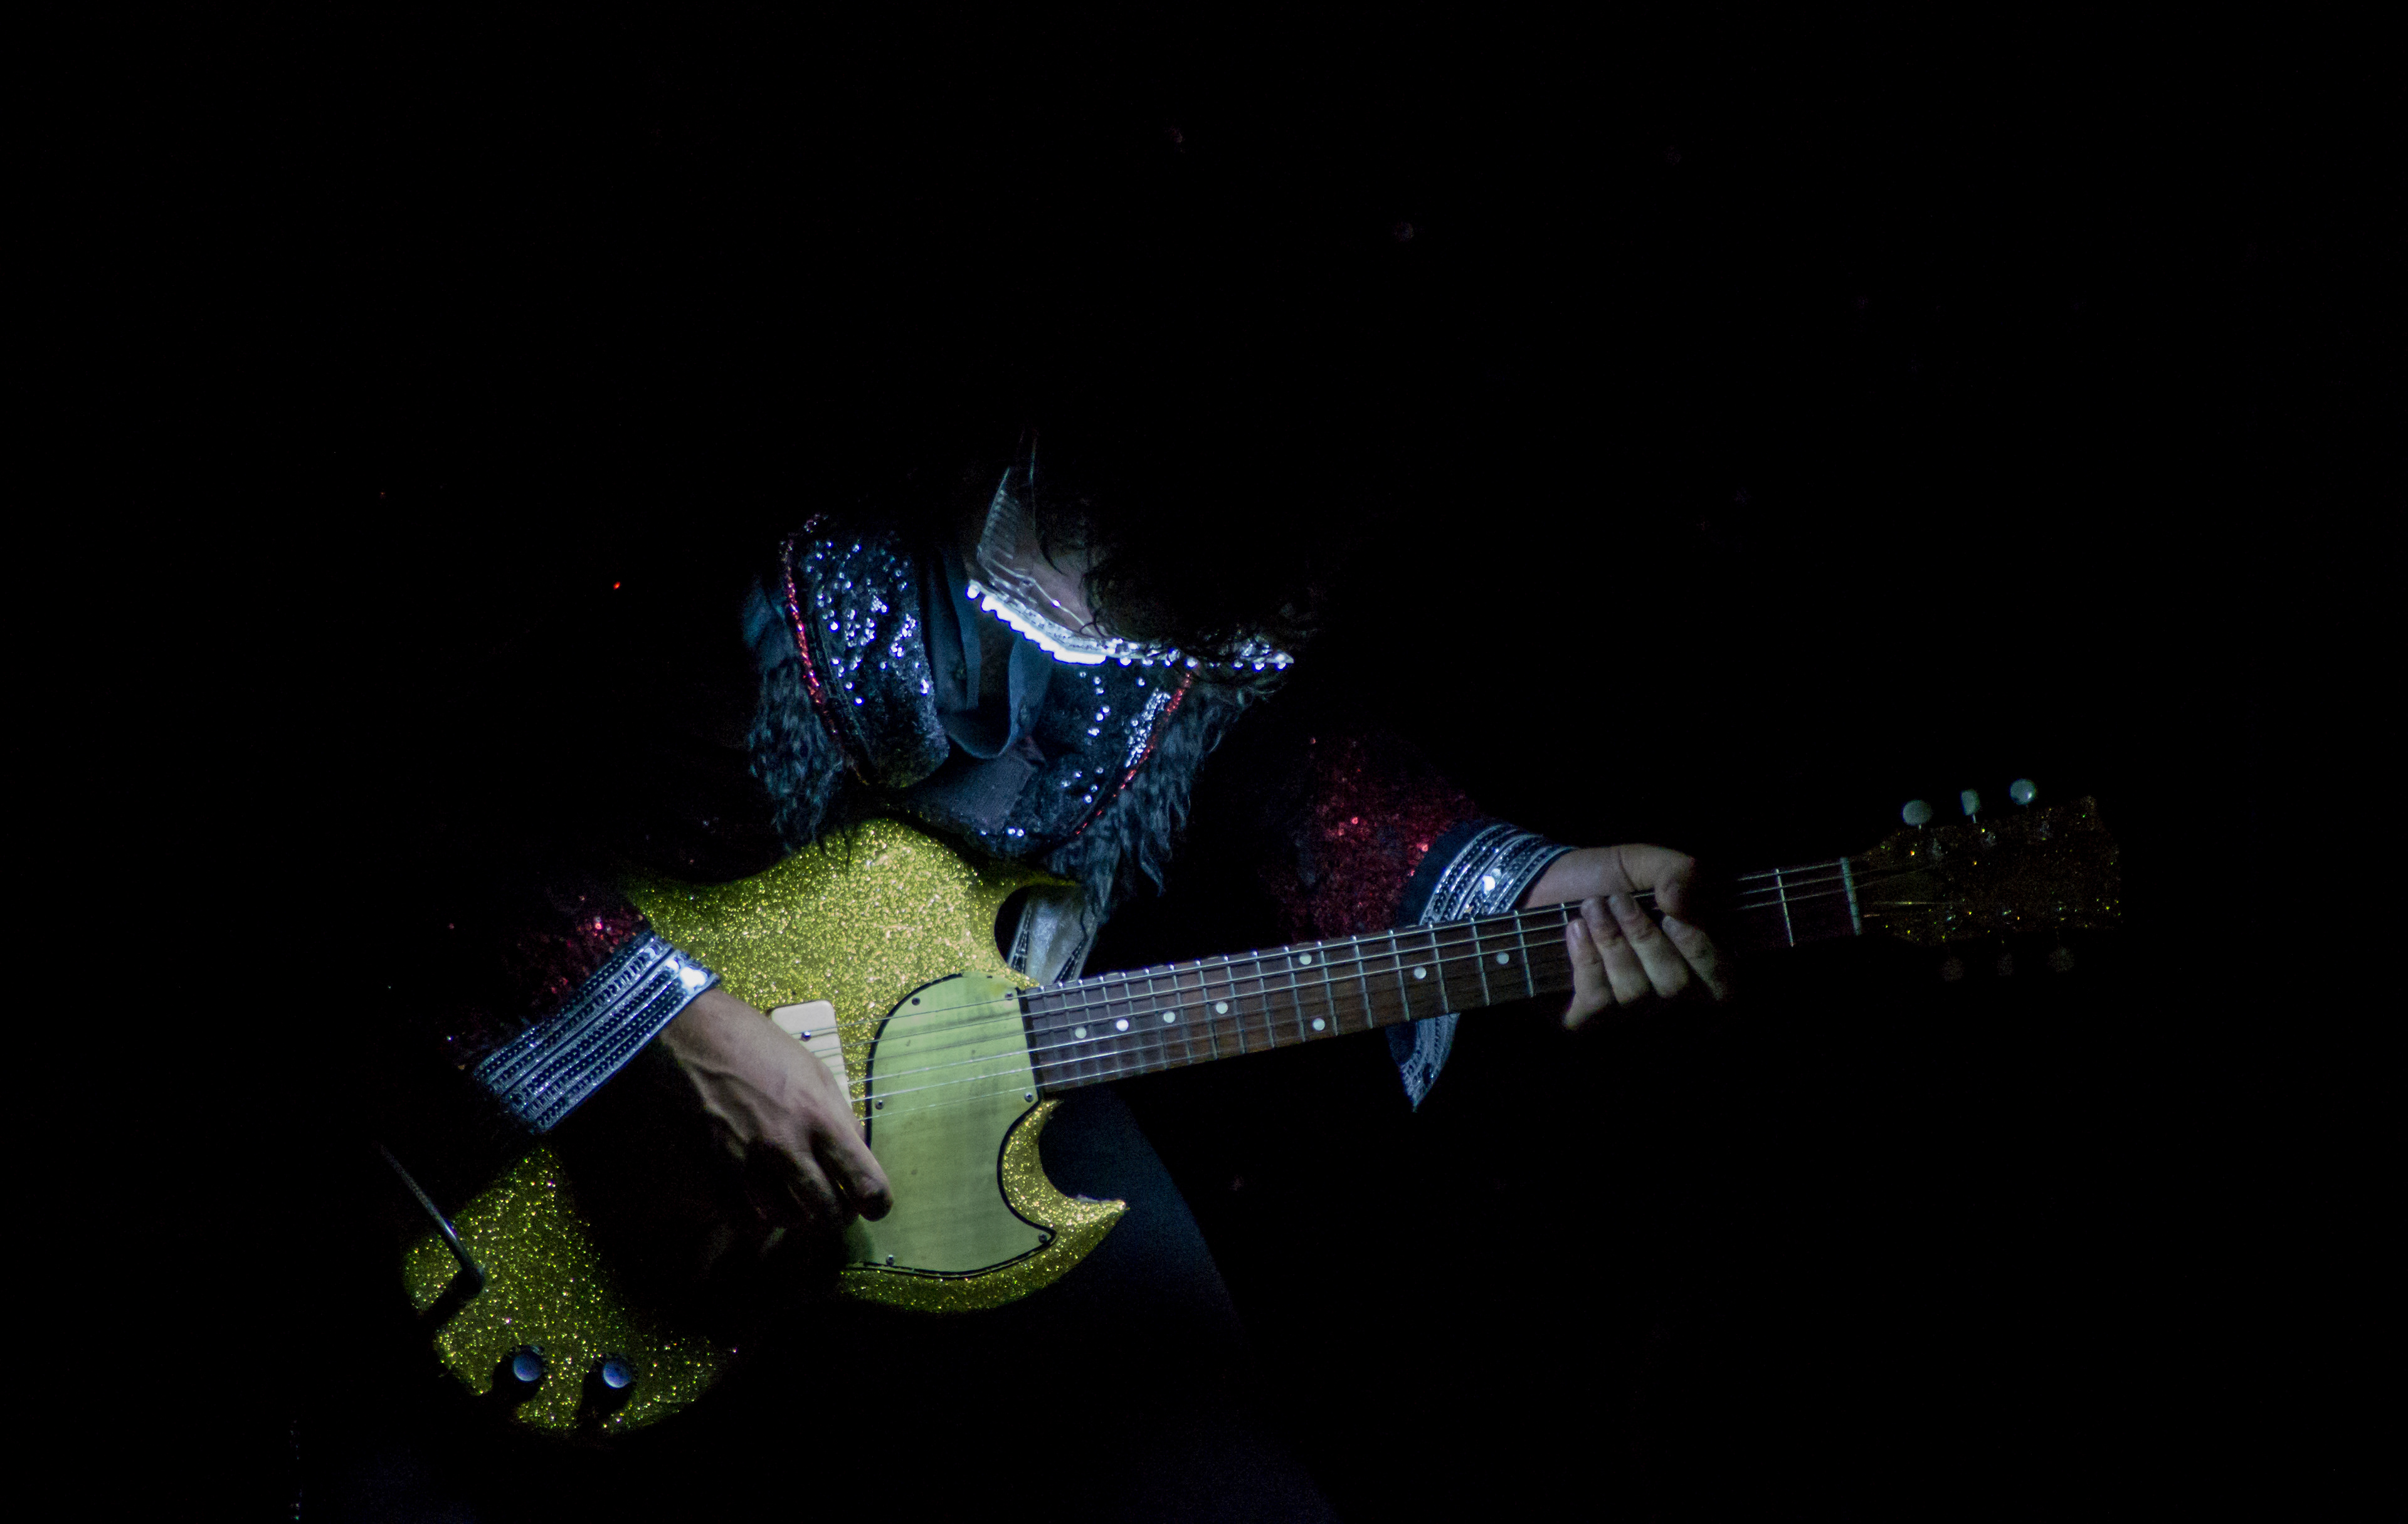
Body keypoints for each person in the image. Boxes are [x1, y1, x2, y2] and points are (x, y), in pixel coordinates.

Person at [336, 386, 1729, 1522]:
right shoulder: (754, 461)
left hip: (980, 1078)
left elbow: (1281, 757)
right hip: (550, 1097)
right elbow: (413, 763)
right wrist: (657, 1025)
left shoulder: (1252, 559)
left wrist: (1519, 881)